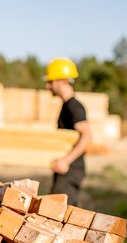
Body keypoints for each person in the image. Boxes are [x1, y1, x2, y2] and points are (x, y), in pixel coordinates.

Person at [45, 57, 92, 206]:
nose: (48, 86)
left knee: (61, 213)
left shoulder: (74, 107)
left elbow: (87, 136)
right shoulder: (66, 106)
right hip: (65, 169)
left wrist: (66, 160)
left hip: (71, 170)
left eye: (50, 82)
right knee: (53, 209)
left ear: (61, 81)